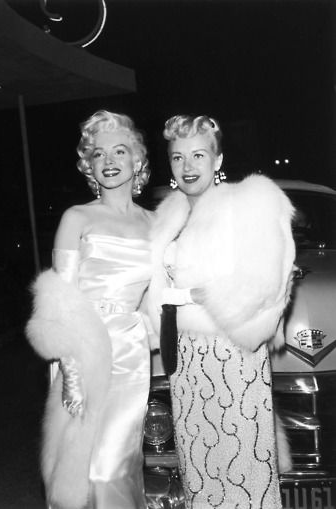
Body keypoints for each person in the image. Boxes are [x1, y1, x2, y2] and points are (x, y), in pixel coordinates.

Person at [147, 115, 295, 508]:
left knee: (247, 475)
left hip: (235, 355)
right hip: (186, 363)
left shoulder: (247, 202)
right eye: (178, 158)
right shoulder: (167, 218)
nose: (188, 166)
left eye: (198, 155)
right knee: (201, 478)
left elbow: (271, 280)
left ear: (218, 159)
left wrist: (203, 295)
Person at [26, 110, 154, 509]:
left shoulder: (157, 223)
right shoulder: (76, 218)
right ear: (89, 164)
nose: (110, 161)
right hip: (80, 353)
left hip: (130, 355)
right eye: (99, 154)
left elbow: (169, 296)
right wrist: (70, 373)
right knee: (77, 472)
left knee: (112, 468)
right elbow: (57, 305)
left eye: (120, 151)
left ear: (138, 161)